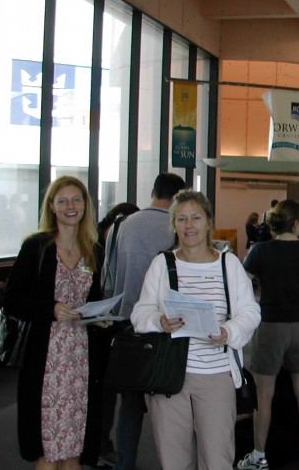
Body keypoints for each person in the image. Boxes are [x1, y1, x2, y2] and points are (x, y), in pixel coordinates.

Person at [131, 189, 260, 470]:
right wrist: (159, 321)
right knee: (174, 459)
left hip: (216, 376)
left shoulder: (229, 264)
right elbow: (140, 314)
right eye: (181, 219)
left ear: (209, 222)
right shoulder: (162, 264)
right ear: (174, 225)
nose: (189, 226)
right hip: (169, 376)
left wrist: (228, 331)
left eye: (196, 218)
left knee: (217, 459)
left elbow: (250, 312)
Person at [3, 176, 108, 469]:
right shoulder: (37, 247)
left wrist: (99, 318)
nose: (70, 206)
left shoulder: (93, 250)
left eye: (76, 200)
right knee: (48, 453)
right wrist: (51, 309)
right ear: (51, 206)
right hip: (46, 362)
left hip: (81, 363)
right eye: (62, 201)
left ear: (86, 205)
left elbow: (94, 298)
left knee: (74, 449)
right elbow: (11, 299)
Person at [238, 199, 299, 470]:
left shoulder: (259, 251)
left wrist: (259, 295)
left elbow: (241, 287)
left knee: (263, 397)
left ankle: (259, 456)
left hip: (269, 326)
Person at [103, 172, 185, 470]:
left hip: (127, 325)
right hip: (168, 325)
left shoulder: (121, 226)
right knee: (170, 402)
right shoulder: (180, 228)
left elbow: (109, 279)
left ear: (152, 191)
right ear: (179, 197)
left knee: (131, 404)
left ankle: (125, 464)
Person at [95, 201, 140, 467]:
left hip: (105, 324)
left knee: (106, 393)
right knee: (110, 394)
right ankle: (102, 446)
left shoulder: (99, 242)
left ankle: (101, 446)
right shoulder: (111, 244)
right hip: (108, 325)